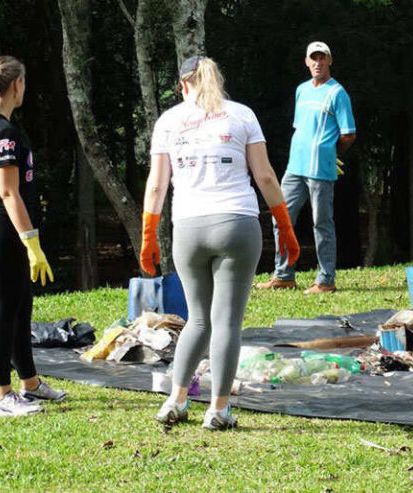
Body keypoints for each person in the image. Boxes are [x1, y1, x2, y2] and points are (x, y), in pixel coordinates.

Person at [141, 56, 299, 430]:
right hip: (236, 225)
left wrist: (149, 233)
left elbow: (157, 185)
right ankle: (218, 410)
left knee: (197, 320)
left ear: (183, 85)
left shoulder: (169, 121)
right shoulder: (242, 115)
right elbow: (265, 177)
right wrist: (285, 227)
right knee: (226, 322)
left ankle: (176, 401)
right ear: (217, 81)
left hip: (188, 228)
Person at [0, 56, 66, 417]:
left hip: (11, 229)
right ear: (16, 85)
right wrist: (30, 241)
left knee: (21, 307)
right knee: (5, 308)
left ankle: (30, 382)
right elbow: (8, 193)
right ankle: (1, 394)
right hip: (5, 229)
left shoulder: (3, 129)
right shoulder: (3, 133)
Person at [256, 41, 355, 294]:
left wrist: (332, 154)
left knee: (322, 223)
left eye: (322, 58)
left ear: (329, 61)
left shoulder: (338, 93)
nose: (318, 63)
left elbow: (348, 134)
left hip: (320, 168)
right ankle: (283, 275)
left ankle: (326, 280)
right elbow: (300, 128)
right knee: (282, 217)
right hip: (295, 166)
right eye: (314, 58)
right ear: (307, 62)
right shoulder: (302, 90)